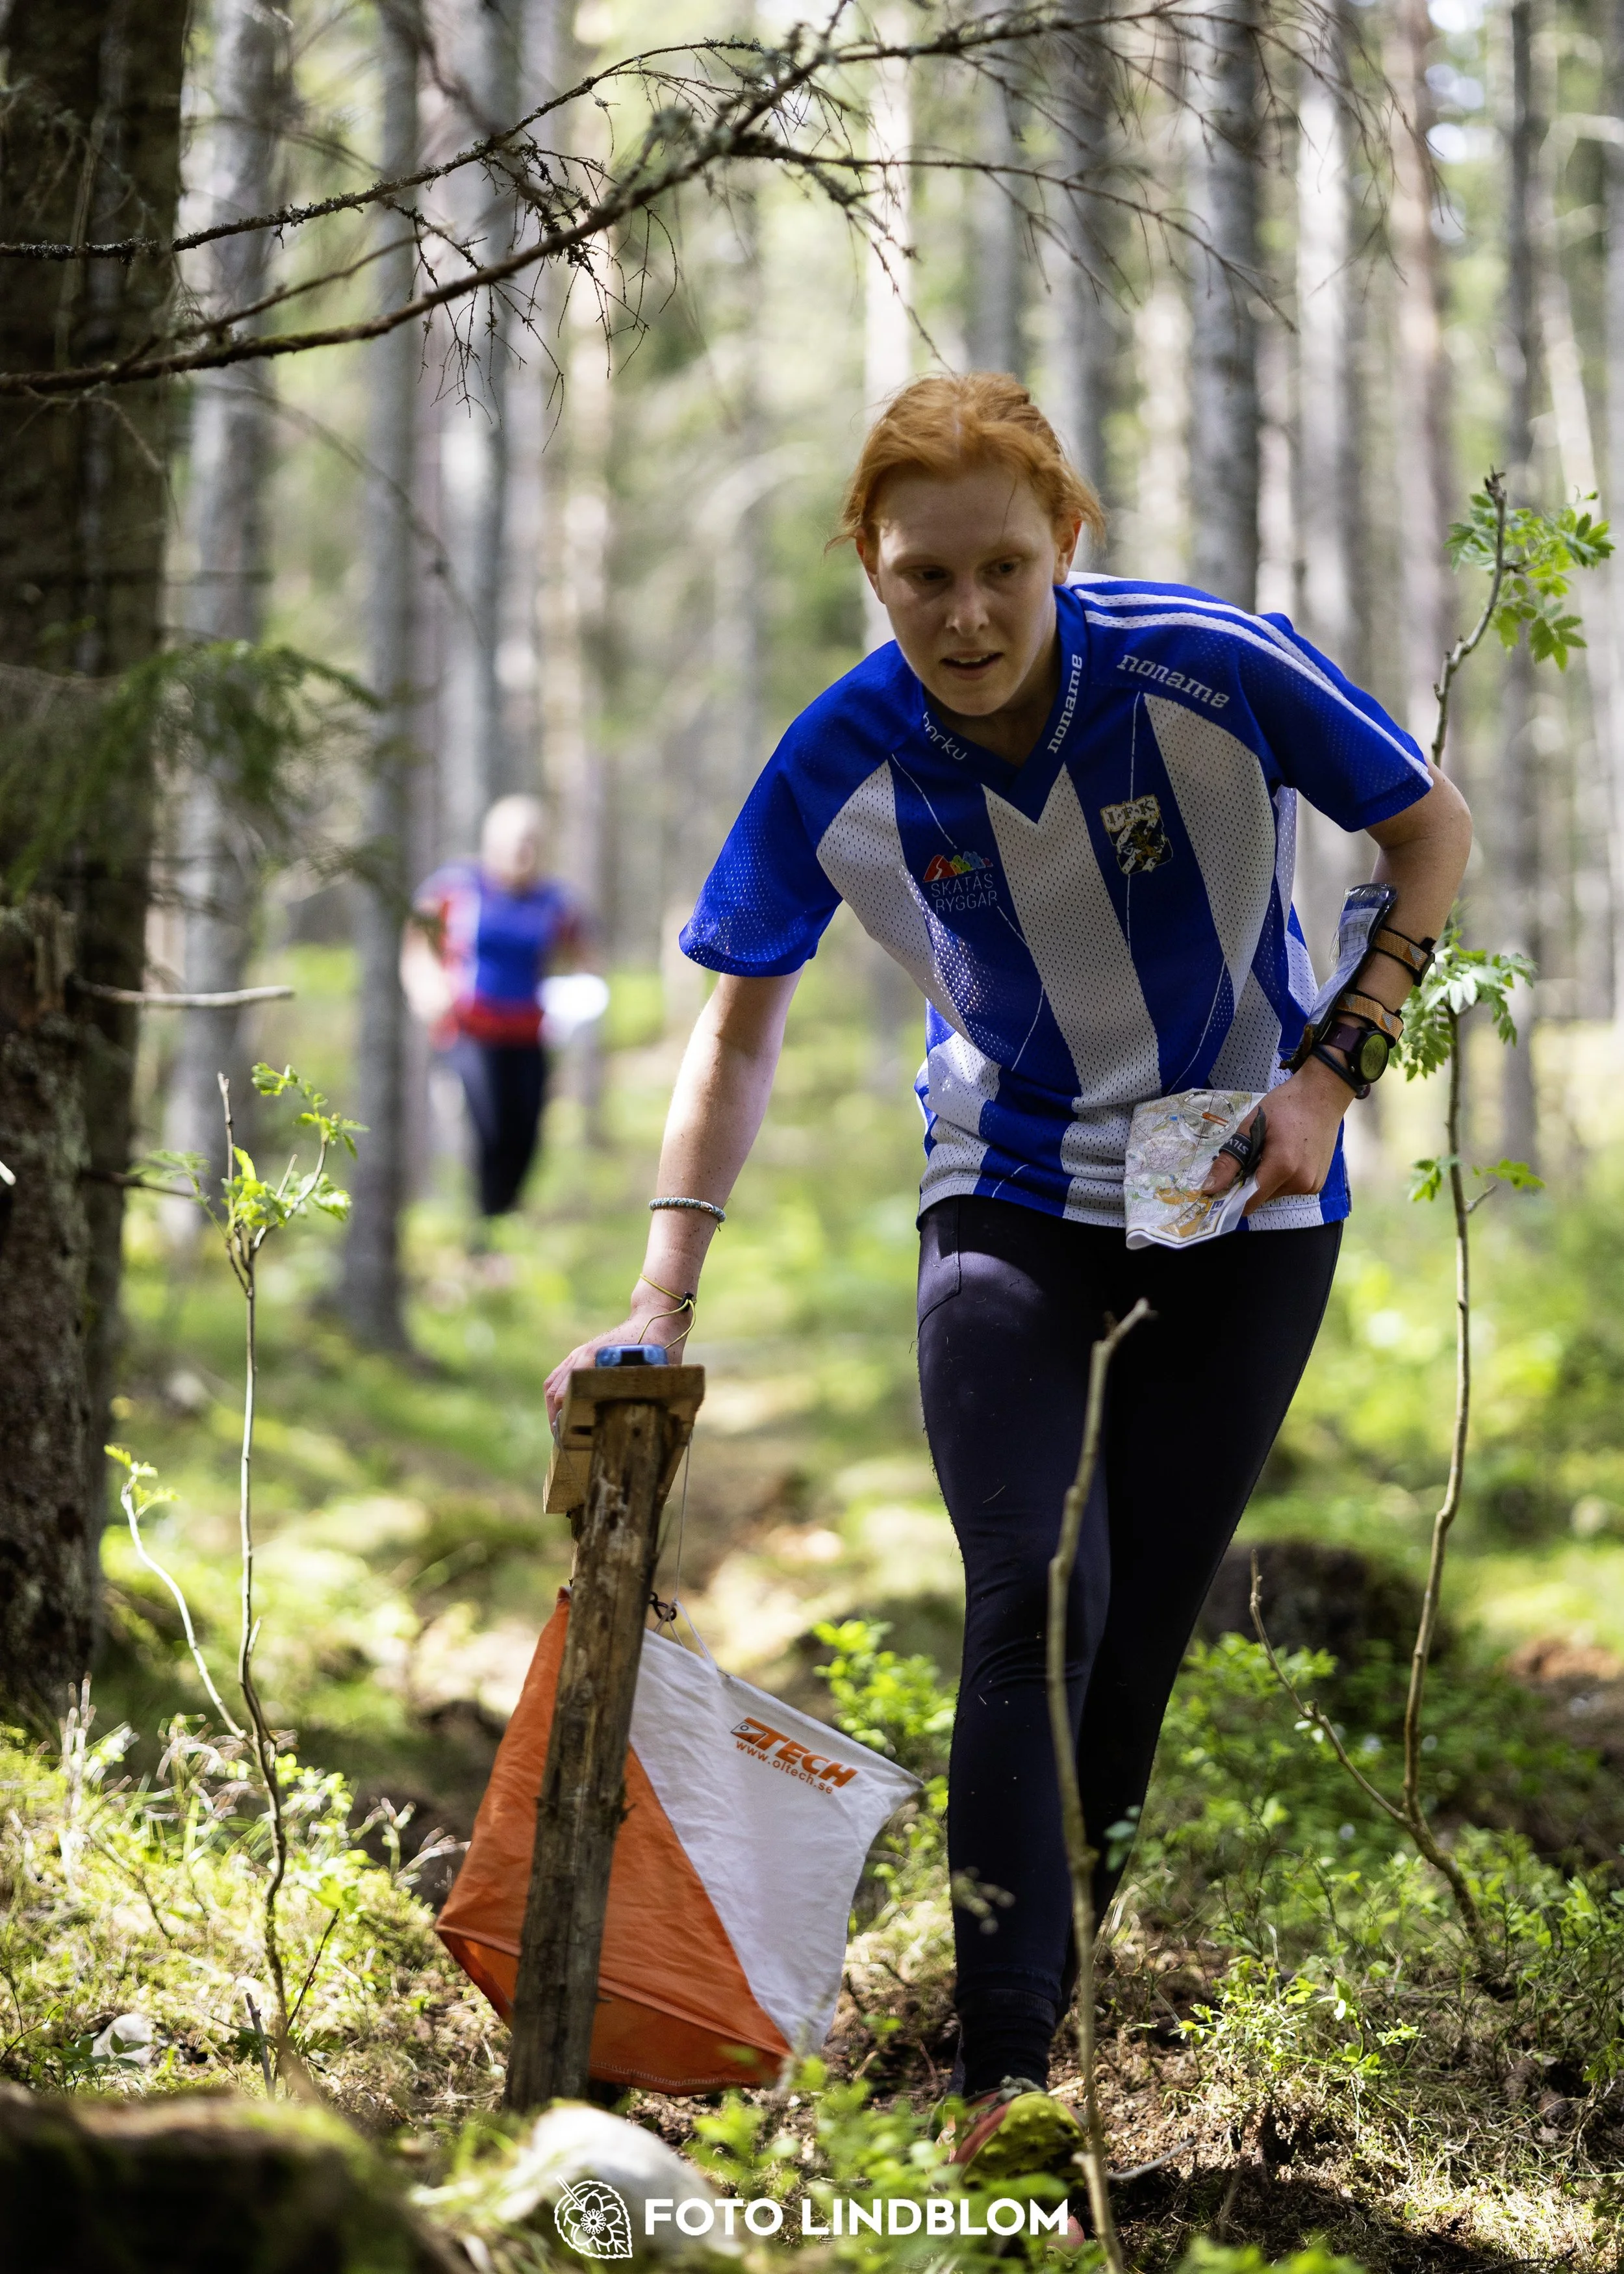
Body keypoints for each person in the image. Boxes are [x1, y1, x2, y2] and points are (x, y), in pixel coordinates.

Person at [545, 375, 1472, 2178]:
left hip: (1245, 1193)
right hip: (1012, 1190)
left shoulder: (1213, 664)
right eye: (918, 577)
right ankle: (1000, 2069)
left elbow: (1425, 829)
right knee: (1034, 1588)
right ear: (870, 572)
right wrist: (660, 1295)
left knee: (1131, 1645)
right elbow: (735, 1033)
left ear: (1066, 548)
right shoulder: (838, 754)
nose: (962, 614)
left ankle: (1071, 1983)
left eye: (999, 569)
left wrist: (1329, 1073)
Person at [404, 795, 585, 1225]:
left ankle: (505, 1224)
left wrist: (579, 1000)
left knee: (526, 1136)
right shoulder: (455, 888)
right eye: (514, 841)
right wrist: (427, 990)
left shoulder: (556, 901)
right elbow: (418, 947)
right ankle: (479, 1236)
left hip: (529, 1034)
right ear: (490, 842)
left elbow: (582, 957)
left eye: (532, 842)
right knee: (486, 1134)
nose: (522, 852)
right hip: (469, 1033)